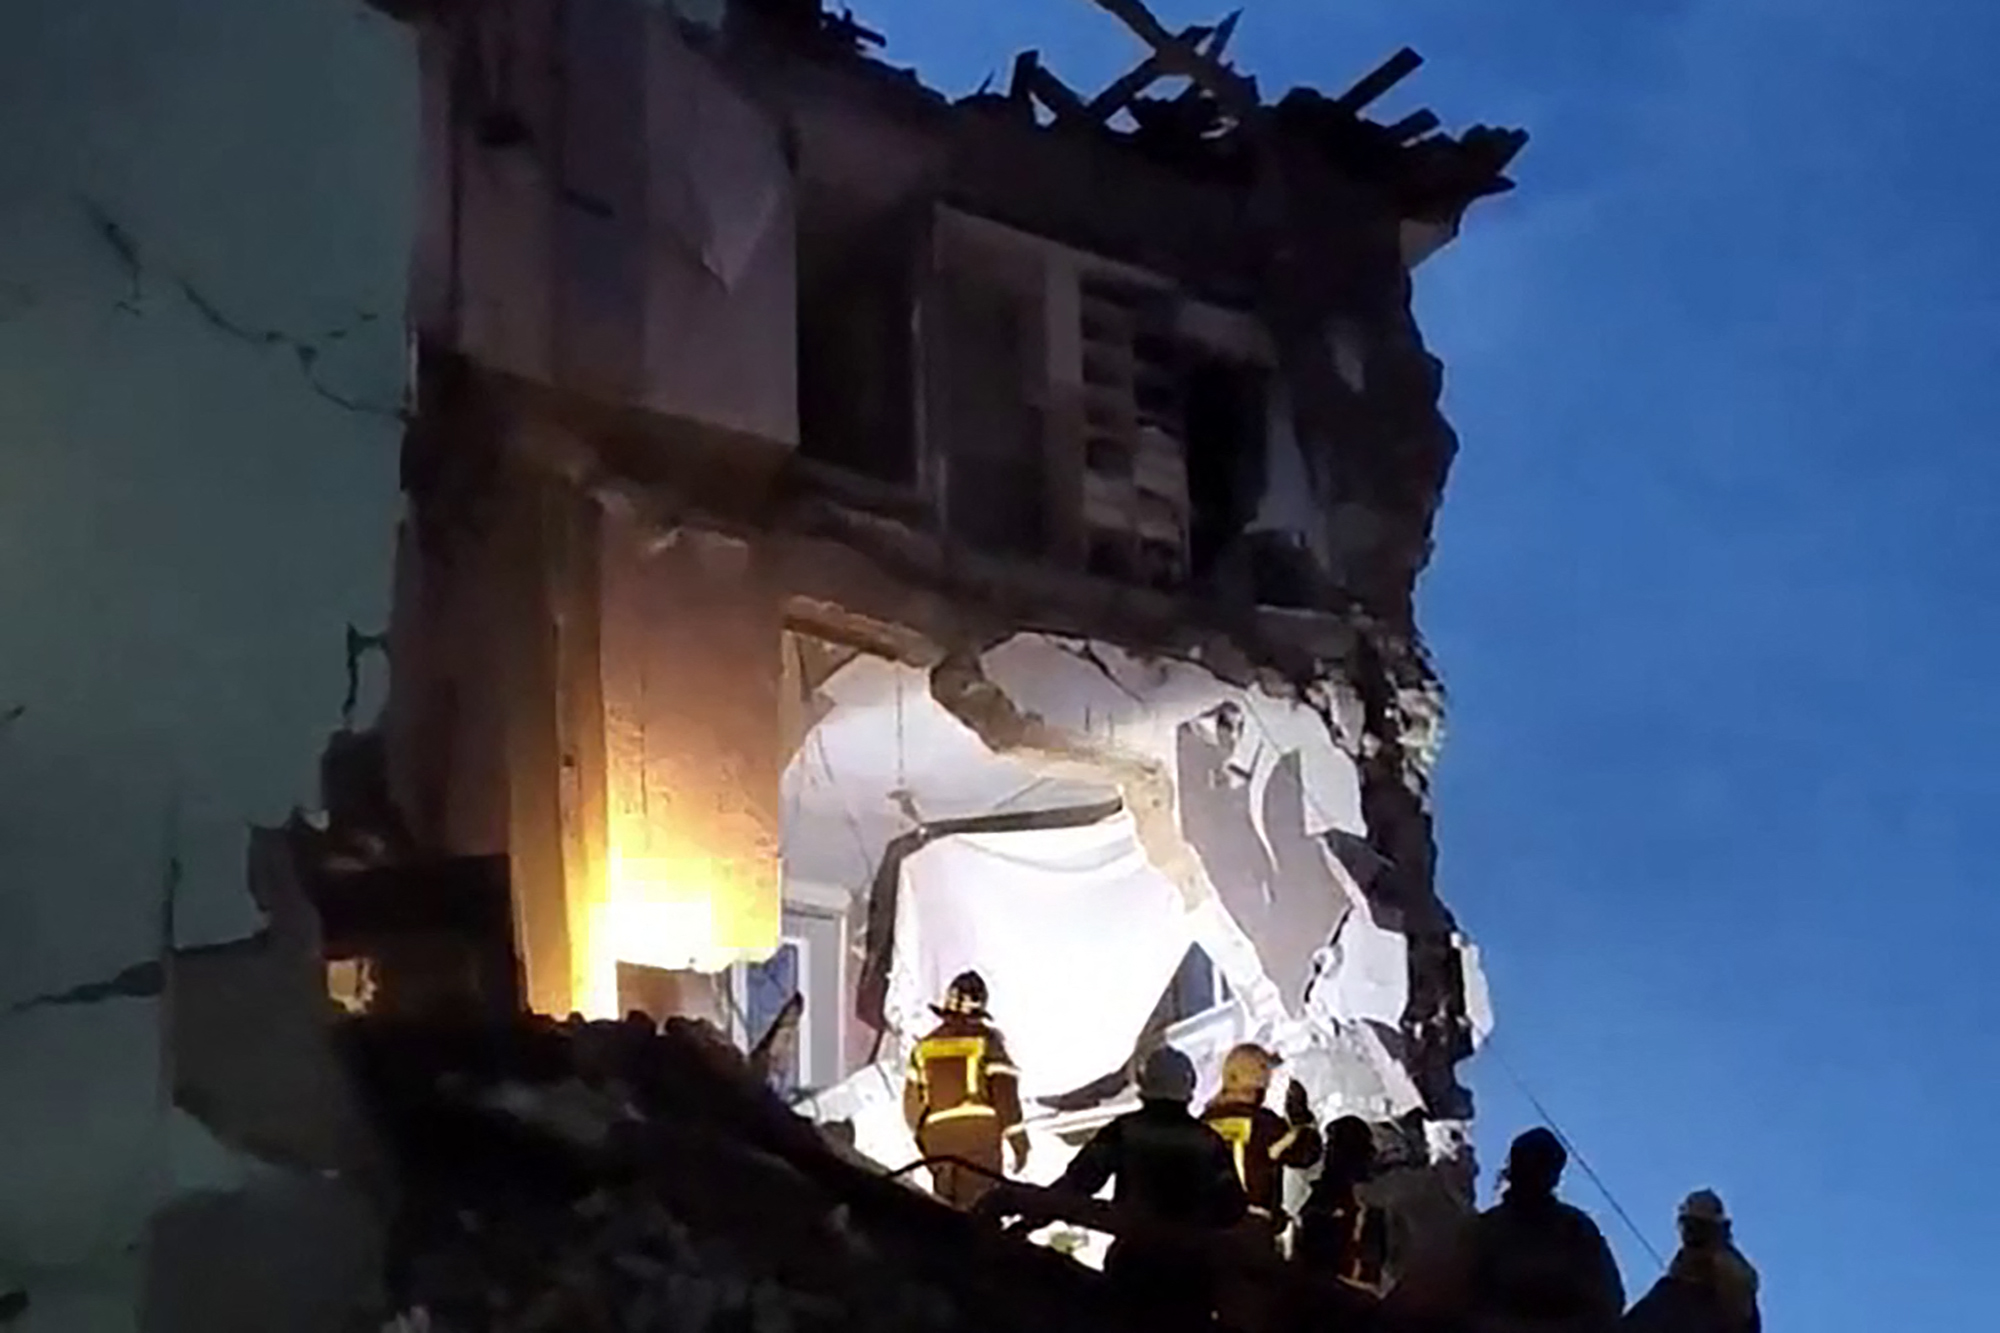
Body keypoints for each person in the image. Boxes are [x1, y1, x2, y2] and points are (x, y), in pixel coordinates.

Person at [1053, 1045, 1249, 1331]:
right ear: (1188, 1087)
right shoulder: (1207, 1141)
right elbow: (1231, 1208)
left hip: (1133, 1266)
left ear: (1145, 1087)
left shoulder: (1123, 1131)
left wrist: (1033, 1213)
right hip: (1190, 1276)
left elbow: (1079, 1182)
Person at [1202, 1045, 1323, 1333]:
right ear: (1259, 1079)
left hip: (1205, 1234)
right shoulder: (1264, 1124)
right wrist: (1302, 1118)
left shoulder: (1204, 1124)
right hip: (1250, 1232)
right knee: (1253, 1313)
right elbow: (1306, 1154)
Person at [1458, 1128, 1626, 1333]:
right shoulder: (1486, 1228)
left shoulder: (1575, 1228)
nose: (1534, 1174)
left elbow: (1608, 1303)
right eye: (1527, 1163)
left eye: (1543, 1166)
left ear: (1554, 1175)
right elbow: (1460, 1300)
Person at [903, 970, 1027, 1209]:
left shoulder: (924, 1048)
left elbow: (911, 1105)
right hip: (978, 1139)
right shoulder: (987, 1042)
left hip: (938, 1140)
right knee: (981, 1211)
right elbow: (1005, 1097)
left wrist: (925, 1140)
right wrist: (1019, 1142)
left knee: (947, 1213)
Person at [1622, 1191, 1760, 1333]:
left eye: (1700, 1228)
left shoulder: (1730, 1280)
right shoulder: (1672, 1288)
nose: (1690, 1237)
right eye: (1688, 1227)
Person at [1295, 1116, 1393, 1297]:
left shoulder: (1368, 1200)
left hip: (1347, 1295)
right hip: (1336, 1295)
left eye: (1332, 1145)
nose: (1328, 1152)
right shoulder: (1326, 1198)